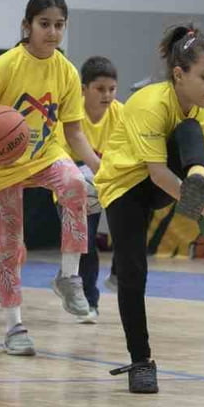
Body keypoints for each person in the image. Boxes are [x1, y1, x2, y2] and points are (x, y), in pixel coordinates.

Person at [94, 22, 204, 393]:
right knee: (134, 272)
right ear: (179, 74)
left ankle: (195, 181)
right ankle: (141, 361)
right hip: (125, 185)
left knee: (191, 129)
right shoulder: (150, 103)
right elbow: (157, 174)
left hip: (172, 183)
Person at [0, 0, 100, 356]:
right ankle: (14, 327)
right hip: (2, 164)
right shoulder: (6, 65)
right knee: (8, 249)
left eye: (59, 25)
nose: (52, 32)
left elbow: (74, 132)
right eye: (44, 24)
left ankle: (69, 276)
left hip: (45, 155)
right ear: (27, 26)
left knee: (76, 182)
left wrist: (101, 169)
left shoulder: (66, 71)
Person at [64, 55, 124, 322]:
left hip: (108, 181)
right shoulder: (70, 112)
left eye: (112, 89)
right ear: (83, 89)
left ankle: (118, 273)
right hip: (72, 186)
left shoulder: (121, 114)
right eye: (100, 89)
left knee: (130, 228)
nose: (107, 95)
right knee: (85, 242)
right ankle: (89, 300)